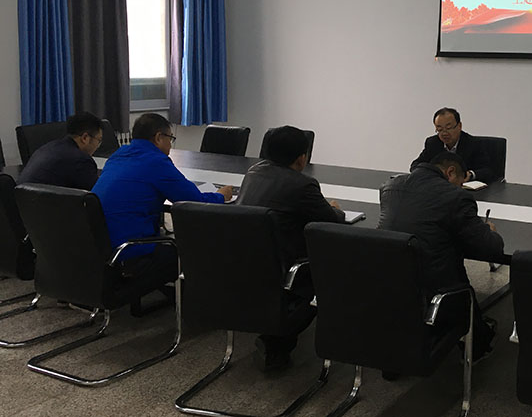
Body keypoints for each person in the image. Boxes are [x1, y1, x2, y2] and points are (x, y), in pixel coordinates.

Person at [237, 125, 345, 369]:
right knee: (332, 269)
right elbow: (332, 221)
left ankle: (273, 335)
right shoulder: (303, 185)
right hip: (282, 269)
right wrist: (335, 208)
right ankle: (278, 340)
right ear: (301, 158)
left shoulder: (253, 173)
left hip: (244, 264)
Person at [380, 151, 504, 364]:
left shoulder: (390, 187)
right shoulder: (455, 197)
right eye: (461, 183)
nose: (460, 188)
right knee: (454, 278)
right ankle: (477, 346)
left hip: (386, 286)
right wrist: (489, 231)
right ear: (451, 172)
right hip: (434, 296)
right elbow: (491, 249)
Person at [92, 113, 232, 296]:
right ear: (159, 137)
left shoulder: (118, 155)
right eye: (170, 139)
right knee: (191, 251)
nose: (170, 145)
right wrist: (221, 196)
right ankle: (196, 300)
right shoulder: (156, 162)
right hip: (128, 248)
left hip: (98, 246)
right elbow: (193, 201)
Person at [17, 111, 104, 190]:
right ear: (85, 138)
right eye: (99, 140)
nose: (98, 146)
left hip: (21, 199)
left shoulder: (47, 147)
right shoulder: (81, 160)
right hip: (46, 201)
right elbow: (98, 194)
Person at [410, 107, 496, 183]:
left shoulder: (473, 143)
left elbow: (488, 170)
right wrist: (430, 173)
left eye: (448, 128)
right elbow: (416, 165)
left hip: (464, 190)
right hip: (439, 188)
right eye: (439, 129)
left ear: (459, 126)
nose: (444, 133)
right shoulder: (432, 143)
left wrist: (469, 175)